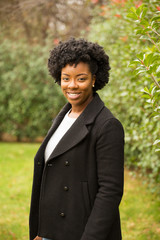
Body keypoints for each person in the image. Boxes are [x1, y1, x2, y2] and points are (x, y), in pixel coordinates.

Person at [29, 38, 124, 240]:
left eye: (81, 78)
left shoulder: (107, 125)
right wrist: (41, 230)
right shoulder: (63, 117)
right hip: (51, 232)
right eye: (66, 78)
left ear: (94, 79)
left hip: (80, 233)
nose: (72, 85)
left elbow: (110, 192)